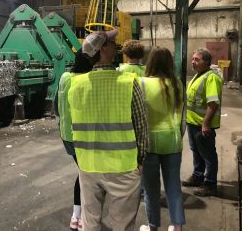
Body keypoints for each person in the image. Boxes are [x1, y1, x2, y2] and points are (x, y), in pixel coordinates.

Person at [68, 29, 148, 231]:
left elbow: (73, 124)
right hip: (122, 166)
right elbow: (141, 126)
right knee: (122, 224)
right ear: (102, 49)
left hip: (88, 165)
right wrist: (141, 160)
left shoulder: (75, 85)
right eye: (112, 43)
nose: (116, 46)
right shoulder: (128, 83)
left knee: (91, 223)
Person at [138, 47, 185, 231]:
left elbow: (138, 117)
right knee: (174, 186)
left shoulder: (141, 83)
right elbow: (183, 117)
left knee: (151, 190)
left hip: (149, 144)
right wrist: (178, 137)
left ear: (150, 62)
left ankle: (153, 227)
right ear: (170, 63)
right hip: (173, 142)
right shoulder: (178, 83)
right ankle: (177, 226)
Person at [54, 49, 94, 231]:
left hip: (67, 137)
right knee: (86, 177)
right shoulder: (85, 81)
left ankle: (76, 217)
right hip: (82, 137)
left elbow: (56, 105)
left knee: (83, 174)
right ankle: (81, 218)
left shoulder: (64, 78)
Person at [182, 48, 223, 196]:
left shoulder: (211, 78)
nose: (193, 62)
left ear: (206, 62)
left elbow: (213, 104)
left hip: (202, 125)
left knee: (208, 155)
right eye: (193, 59)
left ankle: (210, 184)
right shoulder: (199, 75)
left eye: (197, 60)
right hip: (193, 123)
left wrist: (206, 124)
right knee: (196, 152)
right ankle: (198, 176)